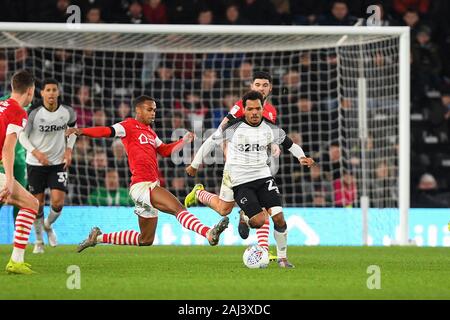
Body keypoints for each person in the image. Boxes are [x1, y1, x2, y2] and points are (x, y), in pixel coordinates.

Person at [66, 95, 228, 252]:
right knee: (178, 208)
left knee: (145, 240)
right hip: (142, 185)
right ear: (138, 110)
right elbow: (106, 130)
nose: (153, 113)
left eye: (155, 110)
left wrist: (183, 141)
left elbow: (164, 150)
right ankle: (208, 232)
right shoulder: (128, 125)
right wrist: (82, 131)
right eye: (149, 109)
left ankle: (98, 238)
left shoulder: (150, 132)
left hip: (148, 186)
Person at [212, 90, 315, 268]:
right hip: (239, 178)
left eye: (257, 108)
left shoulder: (269, 124)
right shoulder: (234, 124)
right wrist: (196, 163)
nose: (254, 112)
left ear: (262, 107)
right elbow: (214, 139)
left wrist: (301, 157)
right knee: (247, 217)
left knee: (279, 219)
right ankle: (243, 215)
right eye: (250, 109)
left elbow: (290, 144)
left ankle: (283, 258)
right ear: (244, 109)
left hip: (263, 177)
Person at [185, 71, 279, 258]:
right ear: (252, 86)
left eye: (265, 85)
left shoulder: (271, 112)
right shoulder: (239, 108)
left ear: (270, 88)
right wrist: (197, 162)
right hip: (235, 169)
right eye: (258, 85)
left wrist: (274, 144)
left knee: (265, 206)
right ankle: (199, 193)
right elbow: (219, 132)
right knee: (223, 209)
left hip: (257, 169)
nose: (261, 88)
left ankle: (263, 250)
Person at [19, 79, 77, 254]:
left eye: (54, 90)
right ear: (42, 93)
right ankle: (38, 241)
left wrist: (69, 150)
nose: (51, 93)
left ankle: (48, 225)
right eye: (48, 90)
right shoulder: (34, 113)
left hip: (58, 163)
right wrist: (36, 153)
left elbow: (73, 130)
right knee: (37, 204)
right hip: (36, 163)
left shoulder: (68, 111)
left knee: (58, 203)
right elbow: (22, 136)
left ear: (58, 92)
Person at [1, 69, 39, 274]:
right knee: (32, 203)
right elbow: (8, 147)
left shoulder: (1, 105)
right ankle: (16, 261)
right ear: (30, 91)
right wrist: (10, 178)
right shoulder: (18, 111)